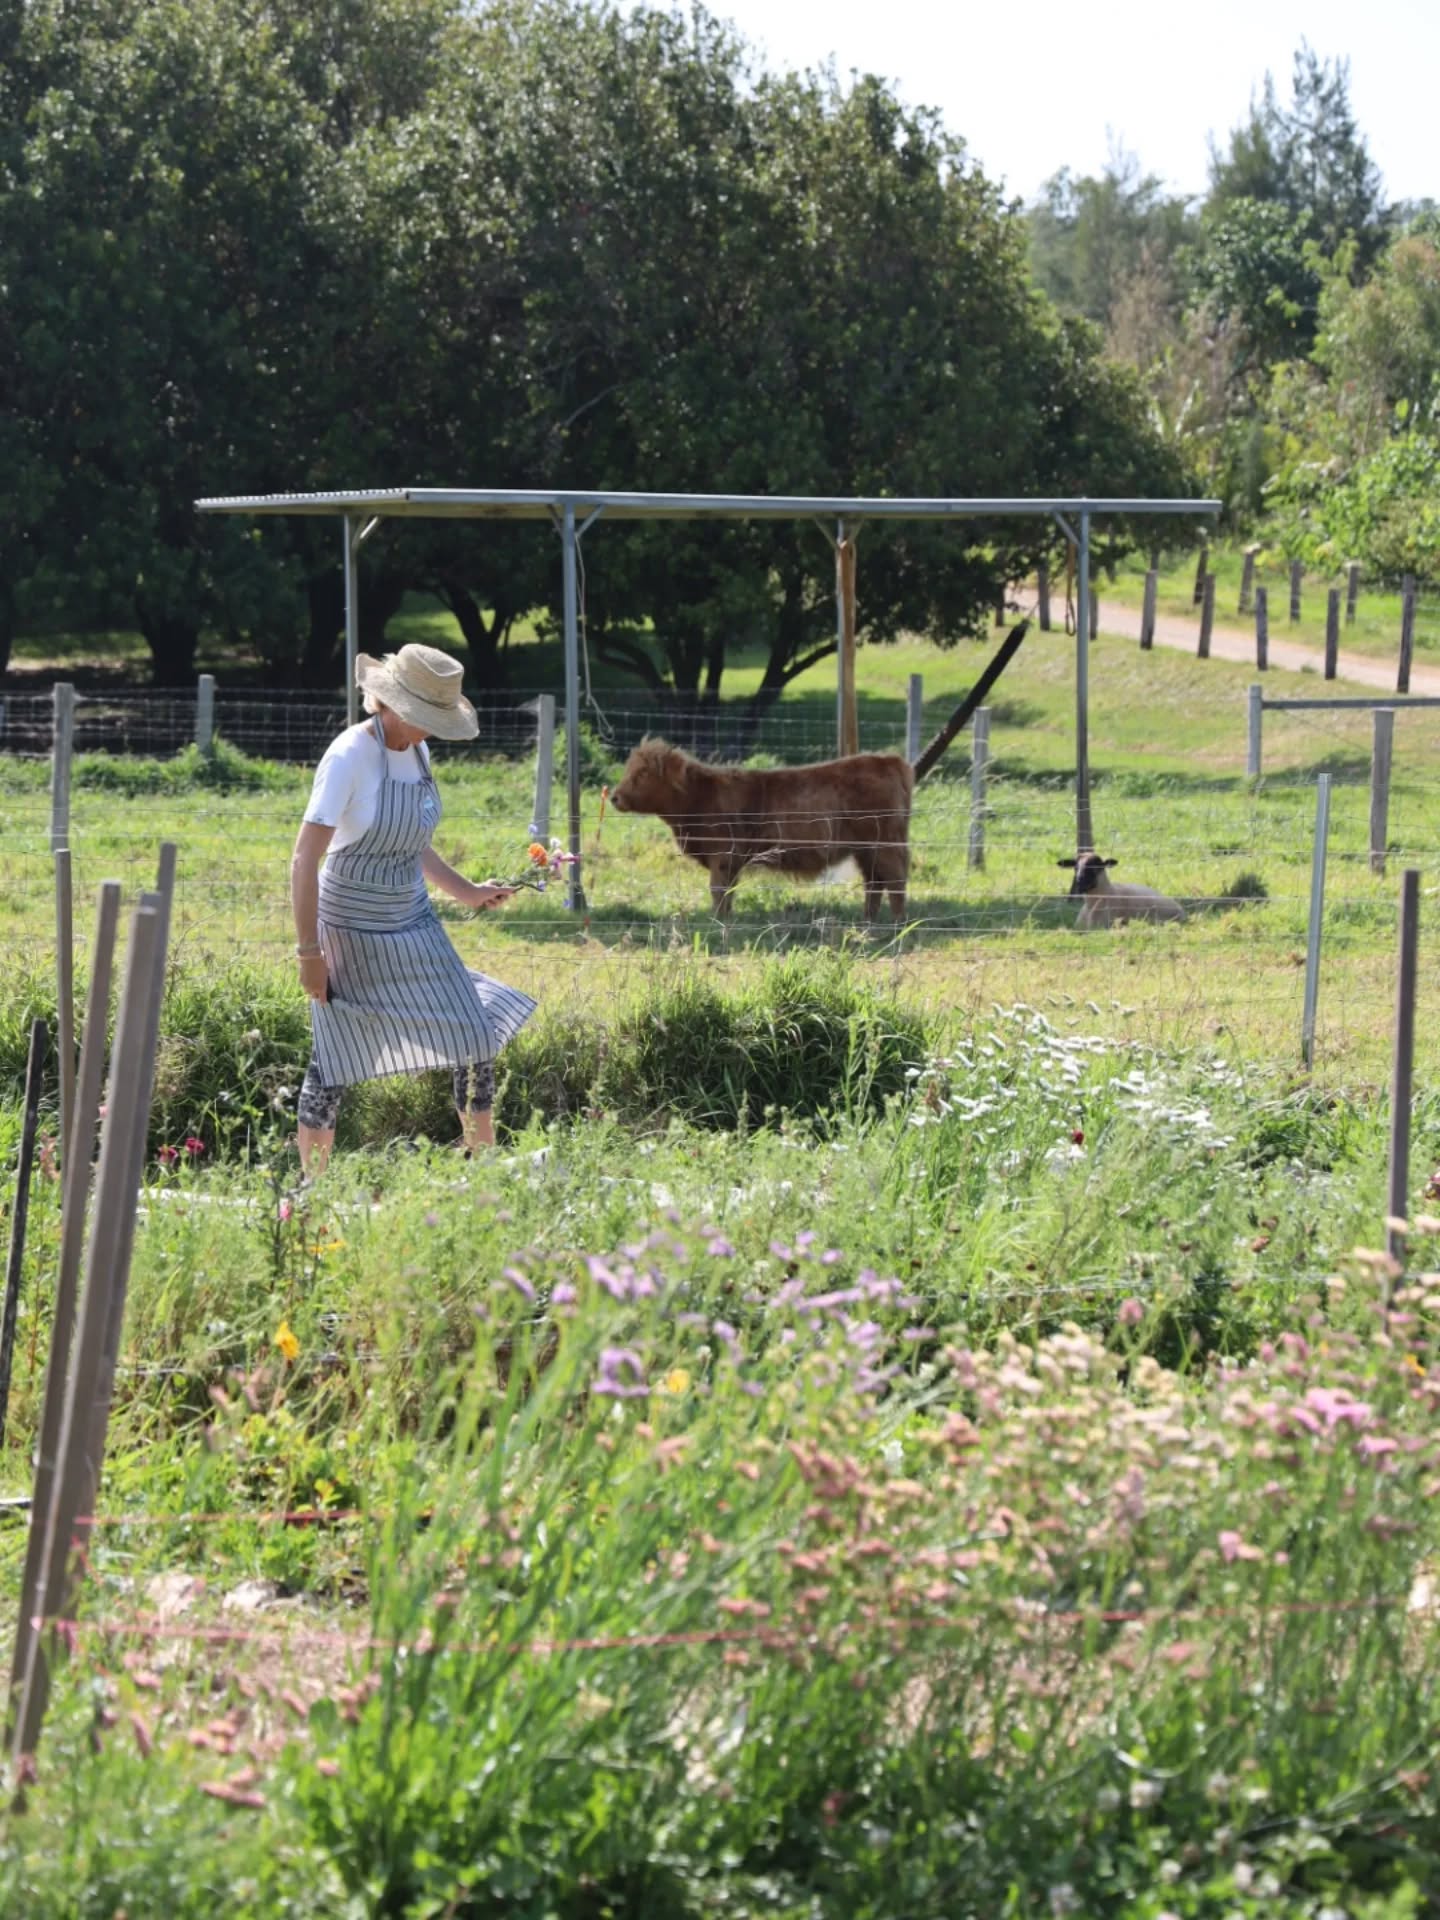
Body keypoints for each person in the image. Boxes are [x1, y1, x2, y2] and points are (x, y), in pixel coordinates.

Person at [290, 643, 536, 1173]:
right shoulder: (348, 757)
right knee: (334, 1057)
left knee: (475, 1031)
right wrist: (309, 952)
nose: (431, 730)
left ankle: (480, 1167)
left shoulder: (418, 753)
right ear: (393, 704)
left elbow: (412, 842)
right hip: (350, 927)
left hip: (412, 920)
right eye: (426, 717)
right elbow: (304, 858)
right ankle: (312, 1191)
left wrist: (467, 890)